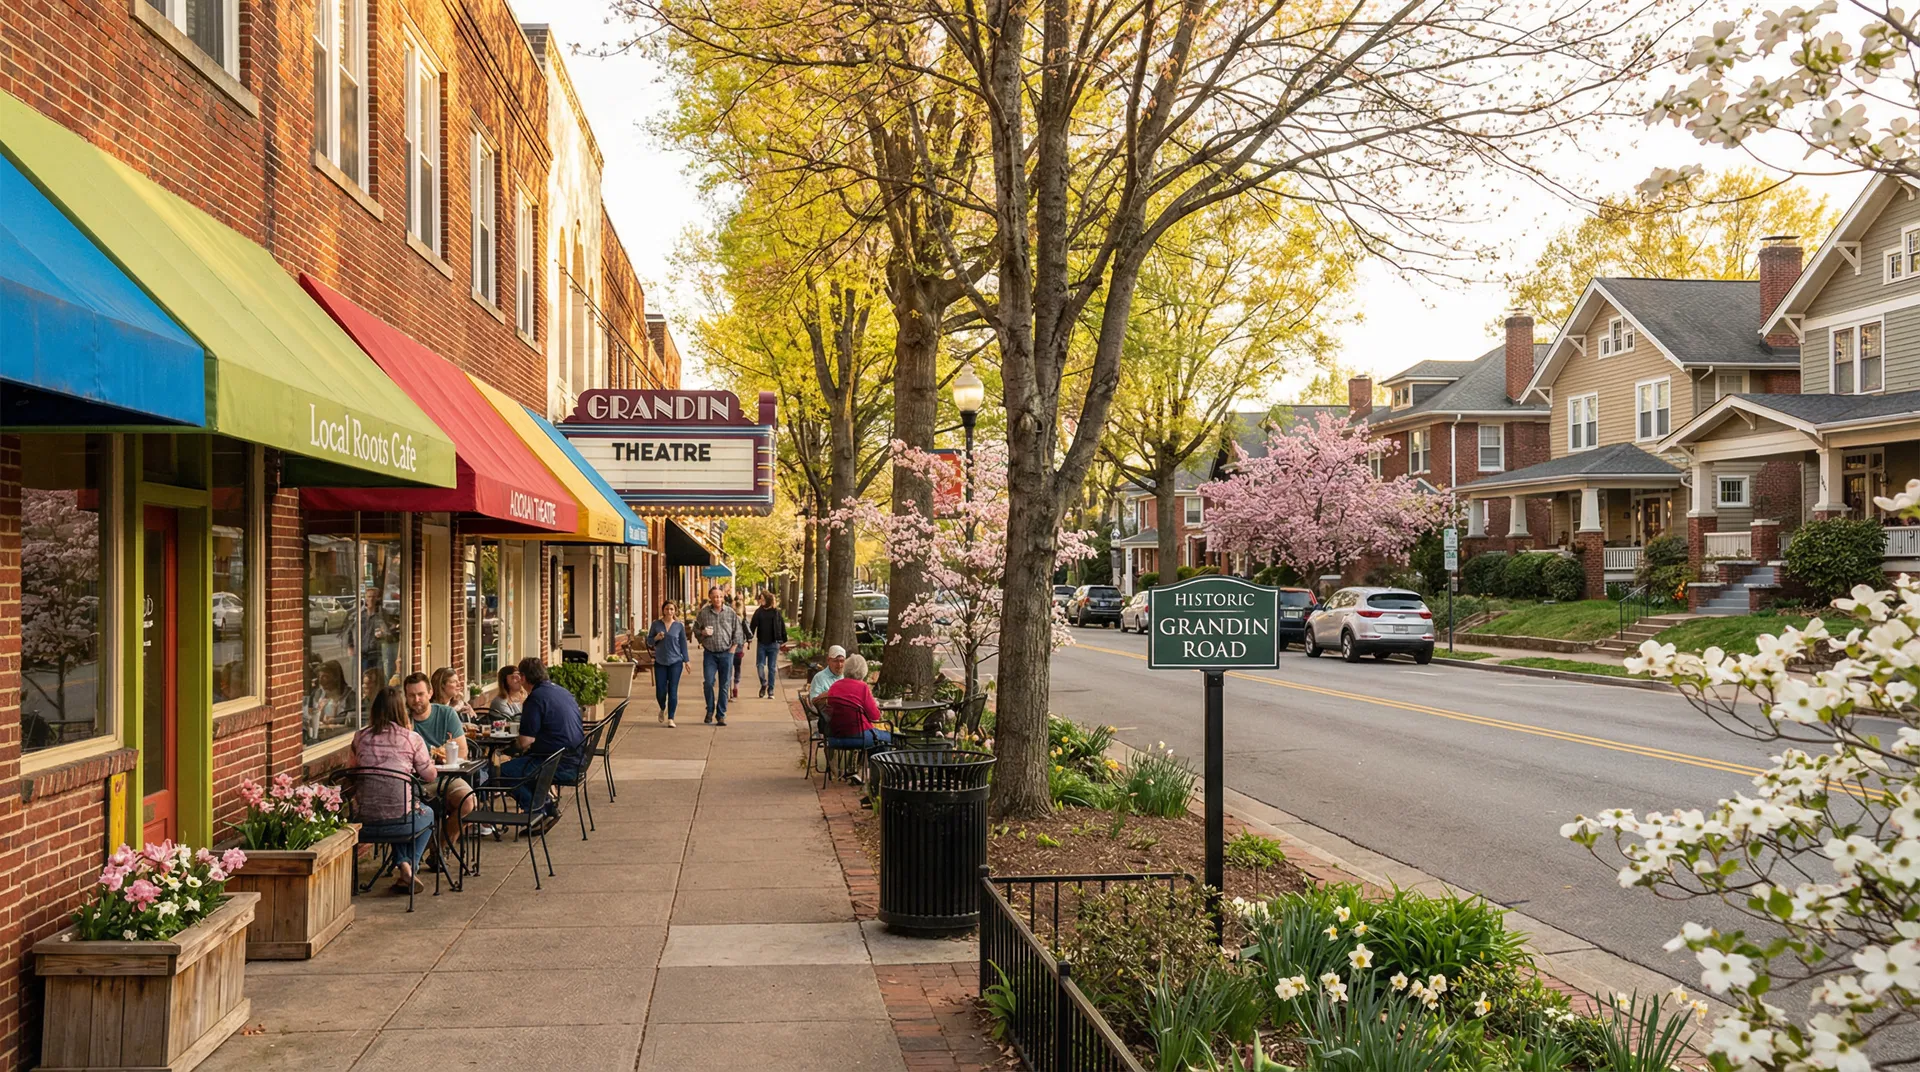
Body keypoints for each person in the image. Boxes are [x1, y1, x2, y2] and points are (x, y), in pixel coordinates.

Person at [349, 686, 436, 895]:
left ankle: (403, 865)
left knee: (400, 810)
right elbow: (430, 776)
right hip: (401, 823)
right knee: (428, 813)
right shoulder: (411, 738)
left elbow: (351, 771)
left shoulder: (359, 737)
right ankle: (410, 866)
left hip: (364, 822)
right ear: (401, 710)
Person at [500, 657, 584, 812]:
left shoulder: (535, 699)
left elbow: (525, 741)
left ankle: (536, 811)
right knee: (522, 769)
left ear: (523, 678)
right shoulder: (563, 692)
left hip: (556, 764)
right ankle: (546, 806)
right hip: (577, 759)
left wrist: (508, 750)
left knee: (503, 772)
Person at [403, 672, 475, 853]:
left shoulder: (446, 713)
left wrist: (441, 755)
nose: (416, 700)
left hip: (446, 777)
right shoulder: (402, 719)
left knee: (468, 802)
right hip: (414, 782)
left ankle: (439, 848)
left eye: (420, 694)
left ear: (430, 693)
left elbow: (462, 751)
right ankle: (416, 853)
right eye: (411, 695)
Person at [823, 654, 892, 783]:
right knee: (887, 738)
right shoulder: (863, 687)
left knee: (875, 737)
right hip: (859, 736)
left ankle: (859, 772)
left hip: (835, 736)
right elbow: (875, 716)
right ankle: (874, 778)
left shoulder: (835, 686)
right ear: (863, 671)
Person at [694, 586, 745, 725]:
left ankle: (721, 714)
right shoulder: (704, 613)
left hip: (726, 653)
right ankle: (710, 710)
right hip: (710, 653)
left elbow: (738, 632)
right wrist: (702, 633)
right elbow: (696, 629)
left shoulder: (730, 613)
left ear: (723, 598)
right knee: (708, 682)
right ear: (710, 598)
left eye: (720, 596)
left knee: (724, 684)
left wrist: (733, 648)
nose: (718, 599)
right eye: (715, 596)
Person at [645, 600, 689, 727]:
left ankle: (671, 718)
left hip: (676, 662)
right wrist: (656, 638)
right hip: (660, 662)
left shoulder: (679, 626)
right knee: (660, 690)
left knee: (673, 690)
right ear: (663, 610)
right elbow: (649, 641)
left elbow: (683, 644)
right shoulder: (656, 624)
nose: (669, 611)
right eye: (667, 609)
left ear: (675, 611)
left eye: (671, 609)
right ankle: (662, 707)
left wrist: (687, 661)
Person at [749, 592, 788, 699]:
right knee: (760, 666)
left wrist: (783, 640)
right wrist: (749, 637)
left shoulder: (776, 612)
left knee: (772, 668)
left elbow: (782, 626)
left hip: (774, 643)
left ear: (768, 600)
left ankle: (771, 690)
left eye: (762, 599)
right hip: (762, 643)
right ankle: (764, 683)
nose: (760, 601)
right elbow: (752, 626)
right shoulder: (759, 612)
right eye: (760, 599)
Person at [306, 660, 354, 737]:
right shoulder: (318, 694)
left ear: (336, 678)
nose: (321, 681)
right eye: (319, 677)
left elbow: (352, 724)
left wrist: (332, 723)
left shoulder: (350, 697)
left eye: (325, 677)